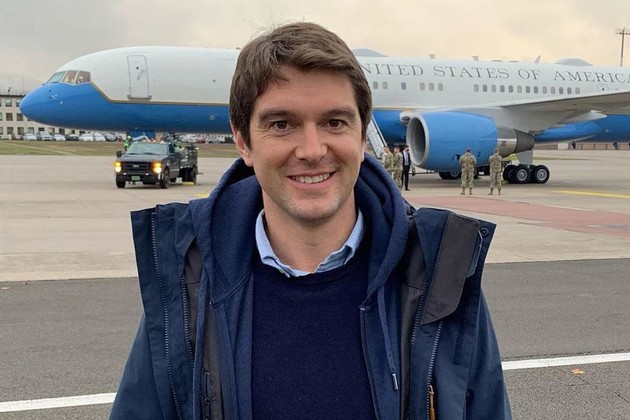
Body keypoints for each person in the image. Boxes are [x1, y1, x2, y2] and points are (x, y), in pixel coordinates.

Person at [110, 22, 511, 420]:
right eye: (281, 125)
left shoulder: (437, 275)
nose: (312, 150)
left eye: (334, 122)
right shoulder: (190, 283)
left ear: (361, 135)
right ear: (243, 141)